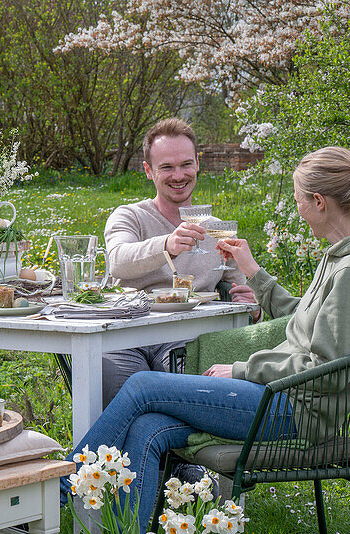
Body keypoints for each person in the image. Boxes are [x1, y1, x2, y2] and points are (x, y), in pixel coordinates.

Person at [63, 146, 350, 534]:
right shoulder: (341, 258)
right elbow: (307, 320)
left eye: (298, 201)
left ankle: (60, 488)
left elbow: (326, 369)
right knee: (149, 424)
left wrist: (243, 370)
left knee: (143, 386)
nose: (297, 211)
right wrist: (253, 272)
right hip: (284, 398)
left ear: (318, 202)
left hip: (297, 410)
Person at [99, 118, 257, 406]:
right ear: (148, 170)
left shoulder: (218, 229)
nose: (179, 175)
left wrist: (253, 307)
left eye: (186, 164)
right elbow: (118, 262)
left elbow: (243, 290)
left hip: (184, 340)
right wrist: (166, 245)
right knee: (124, 400)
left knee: (161, 404)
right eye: (167, 167)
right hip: (124, 339)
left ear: (198, 164)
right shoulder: (129, 216)